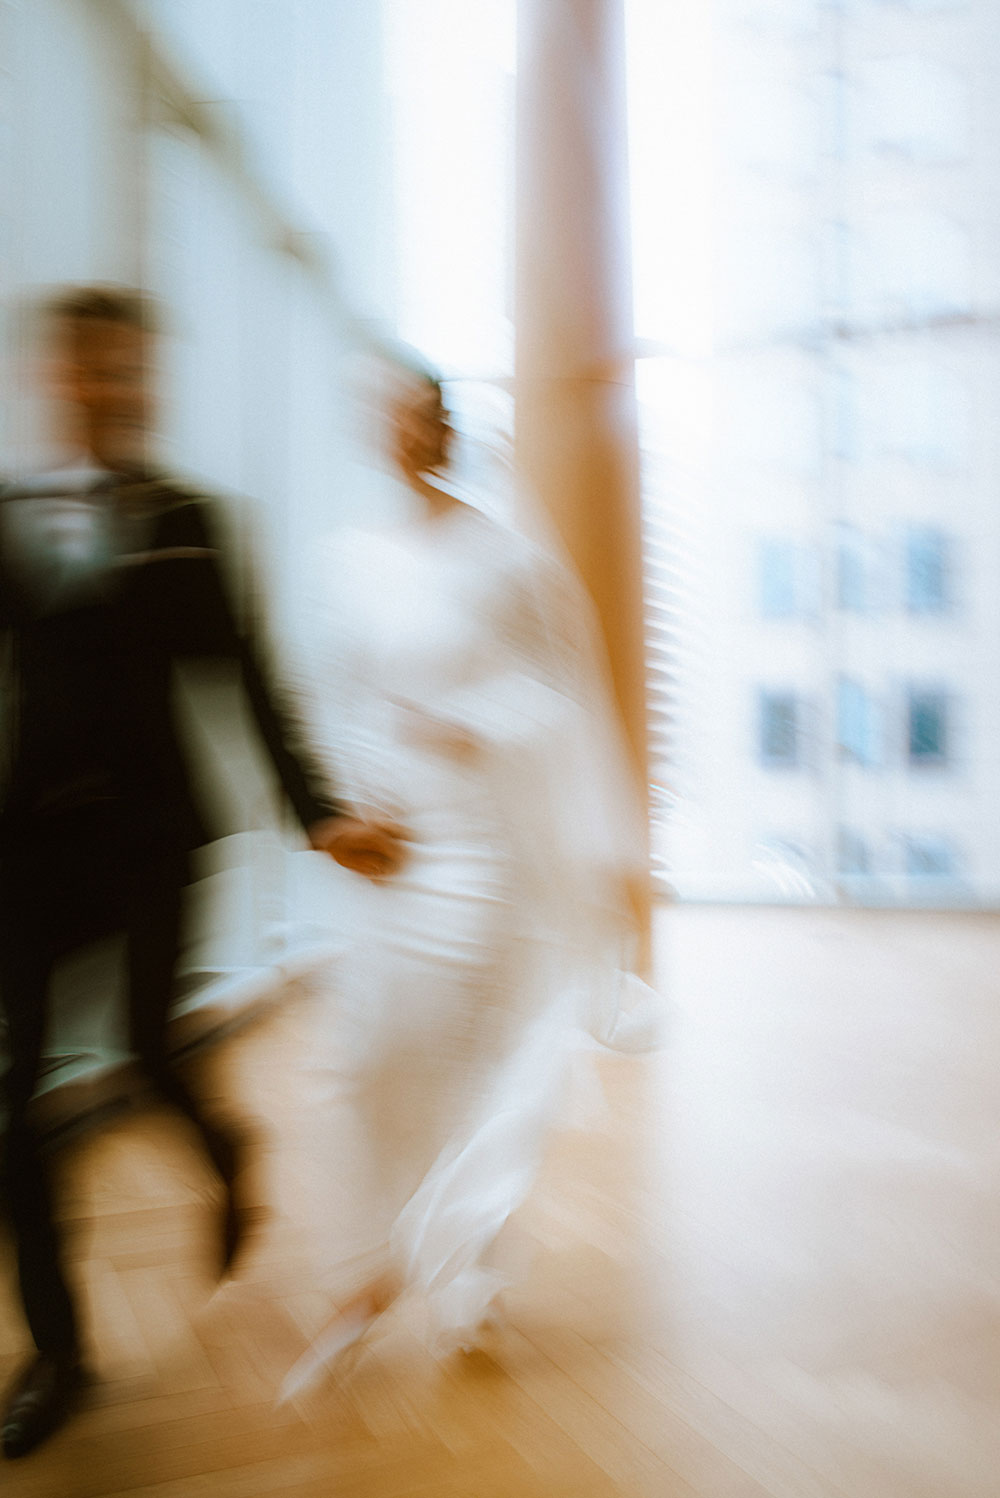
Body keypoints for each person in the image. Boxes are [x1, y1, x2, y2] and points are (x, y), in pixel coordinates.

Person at [0, 285, 403, 1458]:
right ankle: (61, 1356)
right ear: (55, 378)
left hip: (153, 843)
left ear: (147, 382)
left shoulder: (193, 521)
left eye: (128, 371)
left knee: (147, 1051)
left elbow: (250, 683)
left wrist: (320, 815)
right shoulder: (8, 517)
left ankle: (226, 1147)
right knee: (18, 1101)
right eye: (87, 369)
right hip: (29, 847)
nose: (108, 389)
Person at [280, 357, 657, 1399]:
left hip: (479, 851)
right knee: (366, 1057)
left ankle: (453, 1260)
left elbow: (562, 697)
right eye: (384, 416)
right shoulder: (346, 559)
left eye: (417, 415)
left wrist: (475, 726)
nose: (400, 432)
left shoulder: (505, 559)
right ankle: (389, 1248)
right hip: (389, 848)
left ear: (444, 429)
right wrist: (345, 812)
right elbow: (330, 696)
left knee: (466, 1049)